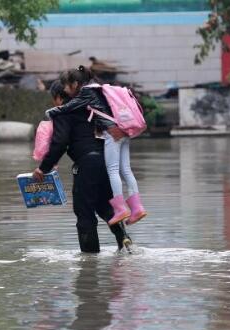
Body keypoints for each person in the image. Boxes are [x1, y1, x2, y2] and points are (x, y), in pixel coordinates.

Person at [33, 80, 132, 253]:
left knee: (84, 213)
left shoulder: (63, 112)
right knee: (107, 207)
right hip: (107, 163)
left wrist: (44, 168)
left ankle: (89, 261)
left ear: (57, 98)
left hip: (86, 165)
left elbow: (60, 143)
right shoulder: (91, 108)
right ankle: (124, 241)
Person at [45, 66, 147, 226]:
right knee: (126, 170)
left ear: (75, 83)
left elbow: (69, 107)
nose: (65, 89)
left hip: (112, 133)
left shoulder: (86, 92)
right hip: (124, 130)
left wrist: (52, 112)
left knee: (113, 170)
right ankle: (137, 207)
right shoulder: (99, 89)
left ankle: (121, 209)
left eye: (66, 85)